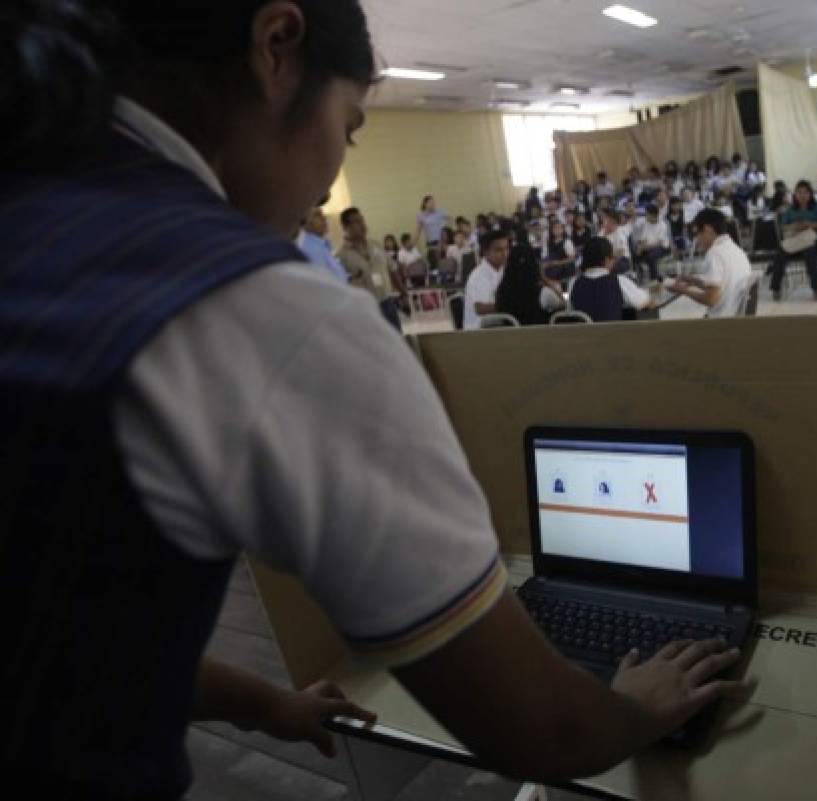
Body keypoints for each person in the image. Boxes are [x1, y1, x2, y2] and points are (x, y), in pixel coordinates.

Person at [0, 0, 725, 795]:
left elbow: (83, 631)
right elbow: (547, 730)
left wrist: (258, 702)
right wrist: (634, 707)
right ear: (276, 45)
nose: (321, 185)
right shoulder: (261, 310)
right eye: (348, 128)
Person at [669, 209, 752, 317]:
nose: (696, 240)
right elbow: (722, 285)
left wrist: (683, 290)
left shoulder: (715, 254)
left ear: (707, 229)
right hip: (734, 315)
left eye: (697, 234)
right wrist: (693, 281)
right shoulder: (736, 249)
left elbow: (711, 299)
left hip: (719, 320)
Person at [561, 238, 651, 322]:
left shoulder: (573, 283)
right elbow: (644, 302)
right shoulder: (619, 281)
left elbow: (569, 309)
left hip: (583, 337)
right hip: (611, 337)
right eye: (612, 257)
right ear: (607, 259)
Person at [769, 181, 817, 302]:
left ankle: (816, 289)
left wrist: (808, 224)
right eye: (799, 192)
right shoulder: (790, 210)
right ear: (795, 194)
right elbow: (783, 227)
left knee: (811, 253)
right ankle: (776, 288)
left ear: (810, 194)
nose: (802, 195)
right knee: (780, 253)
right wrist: (794, 226)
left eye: (805, 192)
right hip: (794, 241)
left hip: (810, 241)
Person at [338, 207, 400, 304]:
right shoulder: (341, 256)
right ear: (346, 227)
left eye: (362, 219)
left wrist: (403, 292)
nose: (362, 224)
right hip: (366, 307)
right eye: (357, 222)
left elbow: (392, 269)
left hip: (388, 301)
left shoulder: (376, 245)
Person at [495, 244, 561, 326]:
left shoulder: (500, 292)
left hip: (510, 337)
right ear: (534, 266)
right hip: (538, 337)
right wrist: (545, 279)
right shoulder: (543, 293)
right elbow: (562, 304)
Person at [464, 230, 509, 328]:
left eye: (506, 249)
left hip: (498, 325)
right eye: (499, 250)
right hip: (480, 331)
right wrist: (510, 306)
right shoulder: (478, 276)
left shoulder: (503, 270)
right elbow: (480, 309)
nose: (505, 254)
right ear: (486, 252)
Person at [296, 206, 348, 282]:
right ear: (305, 223)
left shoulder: (320, 244)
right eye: (317, 215)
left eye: (322, 214)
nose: (324, 218)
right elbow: (325, 283)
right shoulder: (311, 249)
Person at [634, 204, 671, 282]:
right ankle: (639, 279)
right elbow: (643, 239)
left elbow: (659, 242)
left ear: (654, 215)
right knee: (636, 256)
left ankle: (655, 279)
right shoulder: (646, 224)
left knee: (650, 257)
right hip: (648, 247)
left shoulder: (662, 225)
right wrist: (640, 247)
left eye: (647, 215)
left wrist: (646, 247)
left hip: (662, 247)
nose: (646, 217)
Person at [542, 218, 576, 282]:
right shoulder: (549, 242)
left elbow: (572, 258)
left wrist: (558, 263)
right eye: (555, 228)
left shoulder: (567, 242)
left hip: (565, 266)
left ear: (562, 229)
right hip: (552, 265)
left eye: (559, 228)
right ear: (551, 230)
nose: (557, 230)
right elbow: (546, 256)